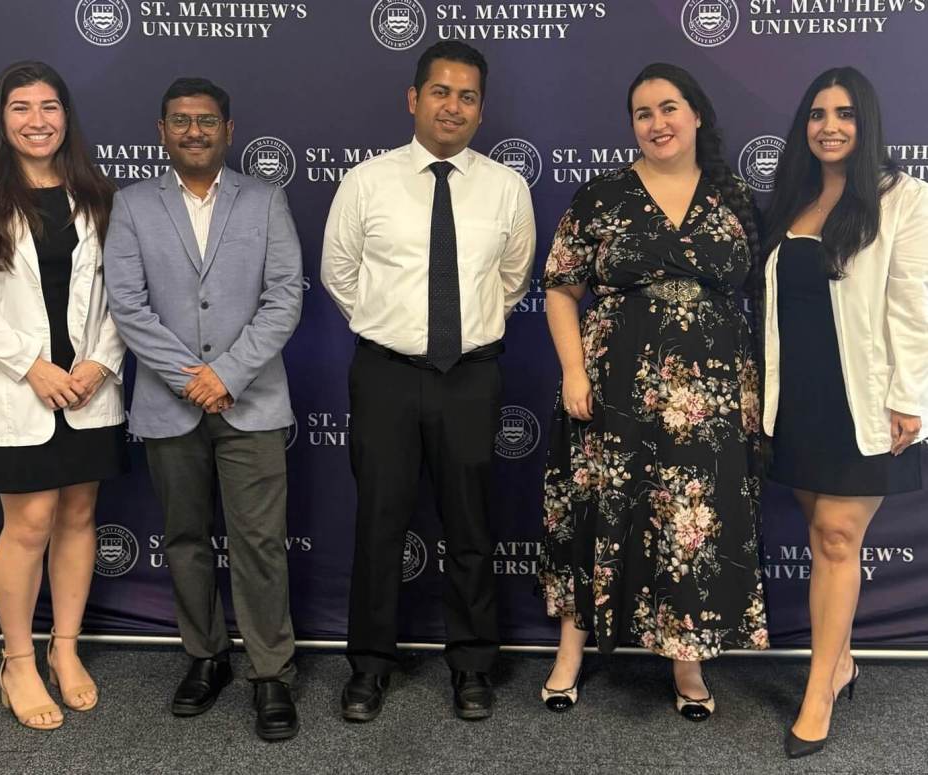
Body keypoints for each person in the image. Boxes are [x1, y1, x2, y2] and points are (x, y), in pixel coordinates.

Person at [538, 62, 768, 721]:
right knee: (595, 513)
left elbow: (763, 295)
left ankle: (686, 659)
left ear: (696, 114)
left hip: (710, 399)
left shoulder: (733, 199)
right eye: (643, 113)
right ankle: (570, 653)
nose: (657, 123)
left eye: (669, 108)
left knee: (691, 523)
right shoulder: (602, 195)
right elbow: (560, 288)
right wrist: (574, 371)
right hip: (613, 387)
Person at [321, 40, 535, 722]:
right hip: (385, 374)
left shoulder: (506, 187)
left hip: (470, 377)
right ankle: (370, 665)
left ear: (481, 110)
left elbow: (511, 279)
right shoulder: (366, 182)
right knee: (379, 524)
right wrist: (395, 328)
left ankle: (472, 664)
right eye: (441, 92)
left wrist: (459, 333)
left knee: (471, 526)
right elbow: (339, 274)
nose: (453, 106)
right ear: (413, 98)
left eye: (467, 96)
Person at [102, 77, 303, 741]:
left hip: (252, 401)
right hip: (171, 404)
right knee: (185, 540)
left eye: (207, 120)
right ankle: (205, 656)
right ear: (162, 131)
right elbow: (128, 305)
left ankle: (271, 672)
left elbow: (284, 298)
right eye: (182, 120)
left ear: (228, 130)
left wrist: (228, 374)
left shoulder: (265, 200)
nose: (195, 131)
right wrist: (193, 379)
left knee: (260, 543)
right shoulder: (132, 205)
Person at [0, 61, 126, 730]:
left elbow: (122, 293)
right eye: (21, 107)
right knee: (28, 524)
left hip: (85, 387)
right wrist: (33, 367)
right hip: (15, 388)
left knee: (78, 514)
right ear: (0, 119)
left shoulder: (96, 194)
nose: (37, 120)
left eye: (49, 106)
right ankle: (18, 661)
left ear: (66, 117)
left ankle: (64, 648)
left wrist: (99, 363)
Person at [762, 67, 928, 759]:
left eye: (846, 113)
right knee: (820, 532)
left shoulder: (902, 198)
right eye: (818, 113)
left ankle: (820, 689)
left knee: (836, 537)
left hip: (864, 397)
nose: (830, 126)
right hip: (797, 398)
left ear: (867, 124)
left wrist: (909, 398)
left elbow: (914, 305)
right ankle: (844, 660)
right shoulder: (791, 198)